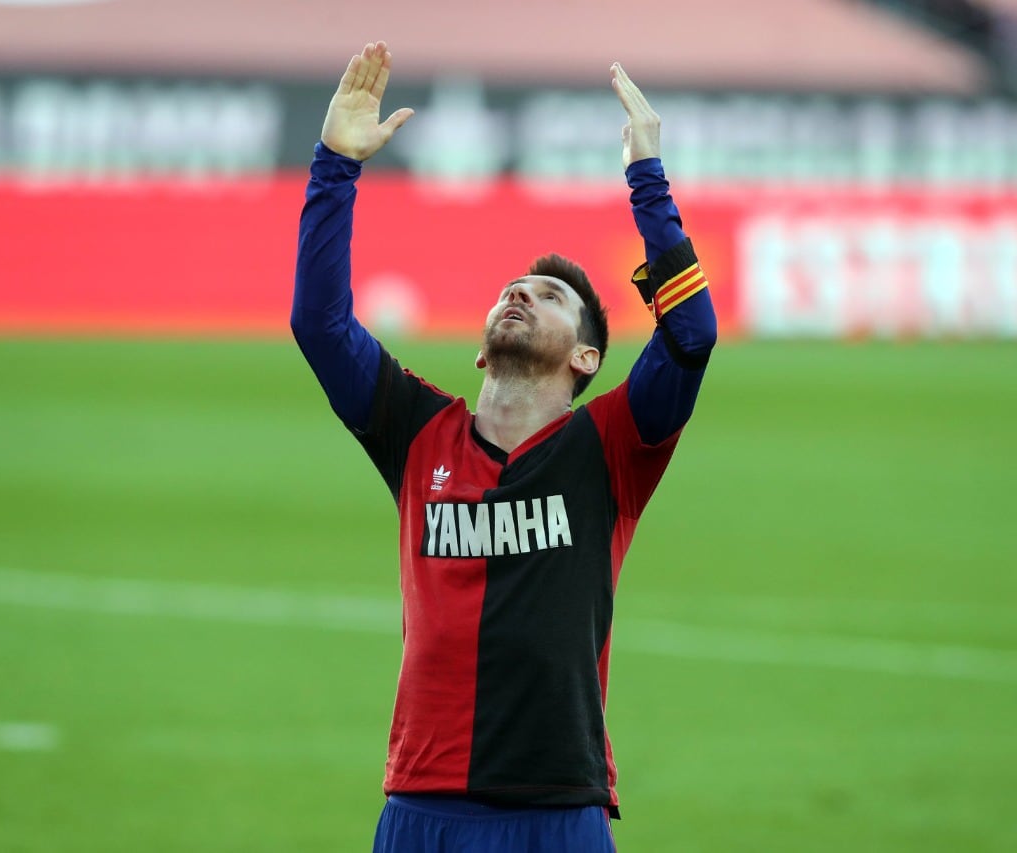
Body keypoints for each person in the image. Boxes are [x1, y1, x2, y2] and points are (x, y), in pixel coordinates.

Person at [291, 40, 717, 853]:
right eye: (510, 289)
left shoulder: (612, 446)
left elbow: (692, 332)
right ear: (483, 348)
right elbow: (319, 324)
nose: (520, 292)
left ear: (587, 357)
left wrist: (647, 177)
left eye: (550, 295)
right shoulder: (415, 430)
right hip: (423, 803)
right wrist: (335, 165)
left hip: (559, 807)